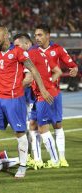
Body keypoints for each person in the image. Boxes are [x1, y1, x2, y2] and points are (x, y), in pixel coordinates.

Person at [0, 26, 53, 178]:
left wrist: (43, 90)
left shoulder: (18, 52)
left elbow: (33, 70)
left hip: (14, 100)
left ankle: (22, 165)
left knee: (19, 133)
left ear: (6, 35)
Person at [13, 33, 63, 170]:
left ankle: (55, 159)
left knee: (43, 128)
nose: (15, 48)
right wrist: (50, 83)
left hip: (43, 95)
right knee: (33, 126)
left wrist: (13, 90)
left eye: (17, 45)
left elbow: (28, 78)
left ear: (27, 44)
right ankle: (38, 160)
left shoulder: (29, 55)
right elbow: (57, 70)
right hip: (39, 95)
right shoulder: (40, 53)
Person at [34, 24, 79, 167]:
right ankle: (48, 158)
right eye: (35, 35)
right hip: (40, 93)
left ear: (48, 35)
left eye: (40, 35)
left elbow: (72, 64)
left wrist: (75, 69)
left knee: (56, 125)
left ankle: (60, 158)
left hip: (52, 93)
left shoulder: (57, 49)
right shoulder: (32, 51)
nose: (37, 38)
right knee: (40, 125)